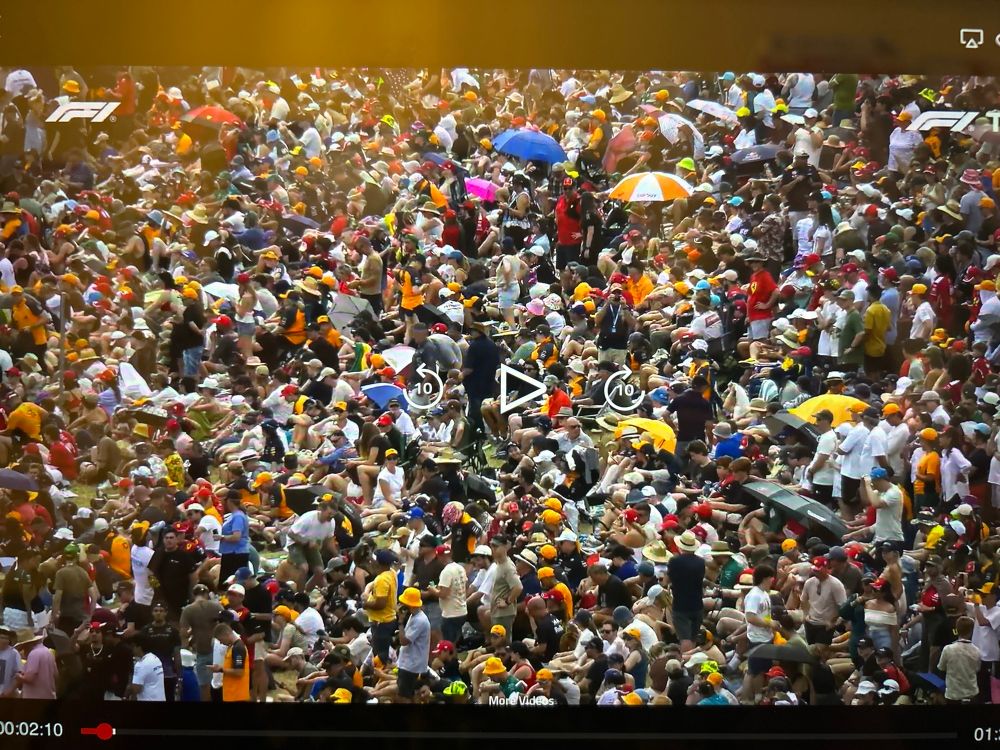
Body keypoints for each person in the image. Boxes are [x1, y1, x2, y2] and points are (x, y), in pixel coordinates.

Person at [396, 587, 431, 703]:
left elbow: (404, 641)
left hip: (411, 665)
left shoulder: (420, 620)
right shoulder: (414, 616)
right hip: (408, 662)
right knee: (409, 694)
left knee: (404, 697)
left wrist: (400, 622)